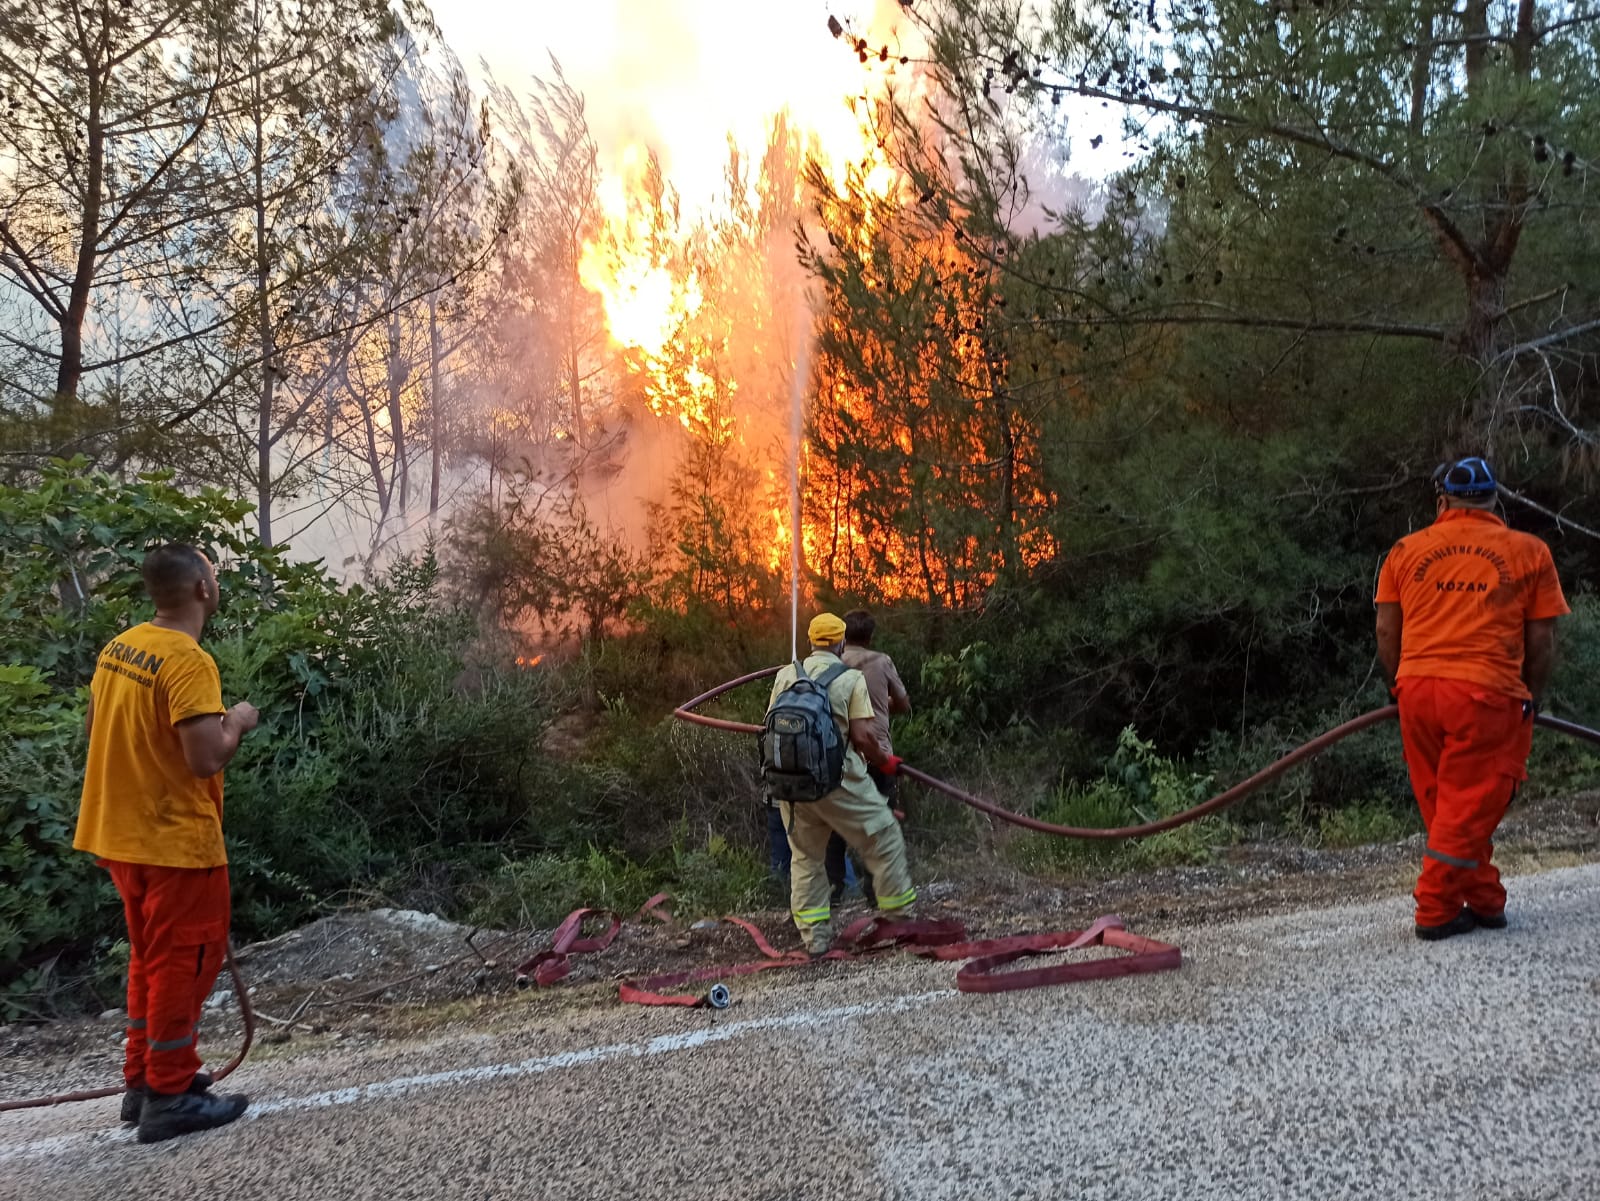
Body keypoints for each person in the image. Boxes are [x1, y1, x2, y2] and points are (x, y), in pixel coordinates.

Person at [74, 544, 259, 1143]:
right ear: (203, 588)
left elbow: (96, 728)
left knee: (149, 960)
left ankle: (143, 1081)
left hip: (121, 835)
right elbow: (205, 758)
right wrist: (238, 721)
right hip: (176, 844)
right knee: (186, 961)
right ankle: (171, 1094)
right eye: (214, 573)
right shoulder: (187, 661)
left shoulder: (120, 648)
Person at [1374, 457, 1568, 941]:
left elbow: (1384, 628)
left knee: (1450, 807)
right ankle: (1436, 910)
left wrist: (1402, 683)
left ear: (1442, 502)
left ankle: (1484, 899)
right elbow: (1541, 641)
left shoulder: (1404, 550)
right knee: (1469, 805)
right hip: (1487, 693)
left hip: (1417, 688)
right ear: (1495, 501)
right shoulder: (1529, 551)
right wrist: (1531, 695)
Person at [768, 613, 916, 954]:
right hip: (838, 781)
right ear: (840, 643)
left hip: (793, 784)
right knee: (885, 836)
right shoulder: (850, 679)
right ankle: (900, 917)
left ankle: (816, 940)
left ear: (810, 641)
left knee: (806, 858)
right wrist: (885, 761)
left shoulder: (785, 675)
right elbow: (864, 736)